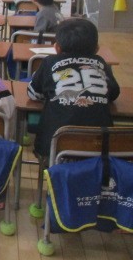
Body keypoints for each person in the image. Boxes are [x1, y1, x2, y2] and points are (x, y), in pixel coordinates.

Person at [27, 18, 120, 157]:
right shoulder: (101, 64)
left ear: (57, 48)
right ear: (97, 49)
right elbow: (114, 93)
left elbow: (33, 94)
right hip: (100, 149)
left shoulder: (49, 62)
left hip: (55, 147)